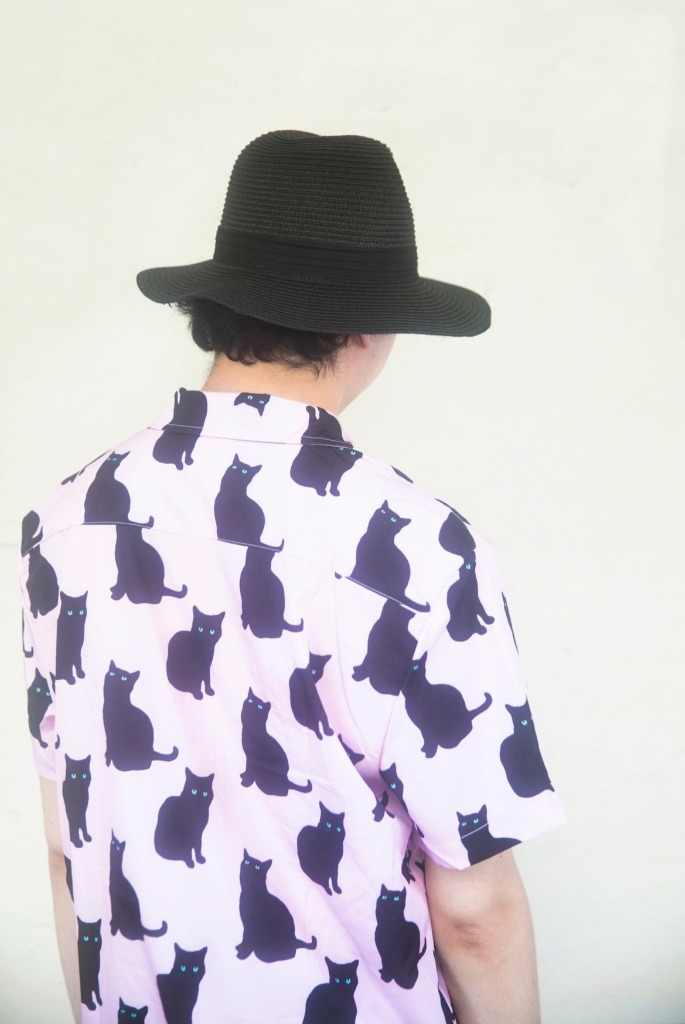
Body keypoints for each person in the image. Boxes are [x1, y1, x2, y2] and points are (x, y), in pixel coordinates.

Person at [19, 130, 565, 1024]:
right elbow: (473, 909)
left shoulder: (65, 520)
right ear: (366, 325)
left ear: (216, 306)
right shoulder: (417, 544)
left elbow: (66, 844)